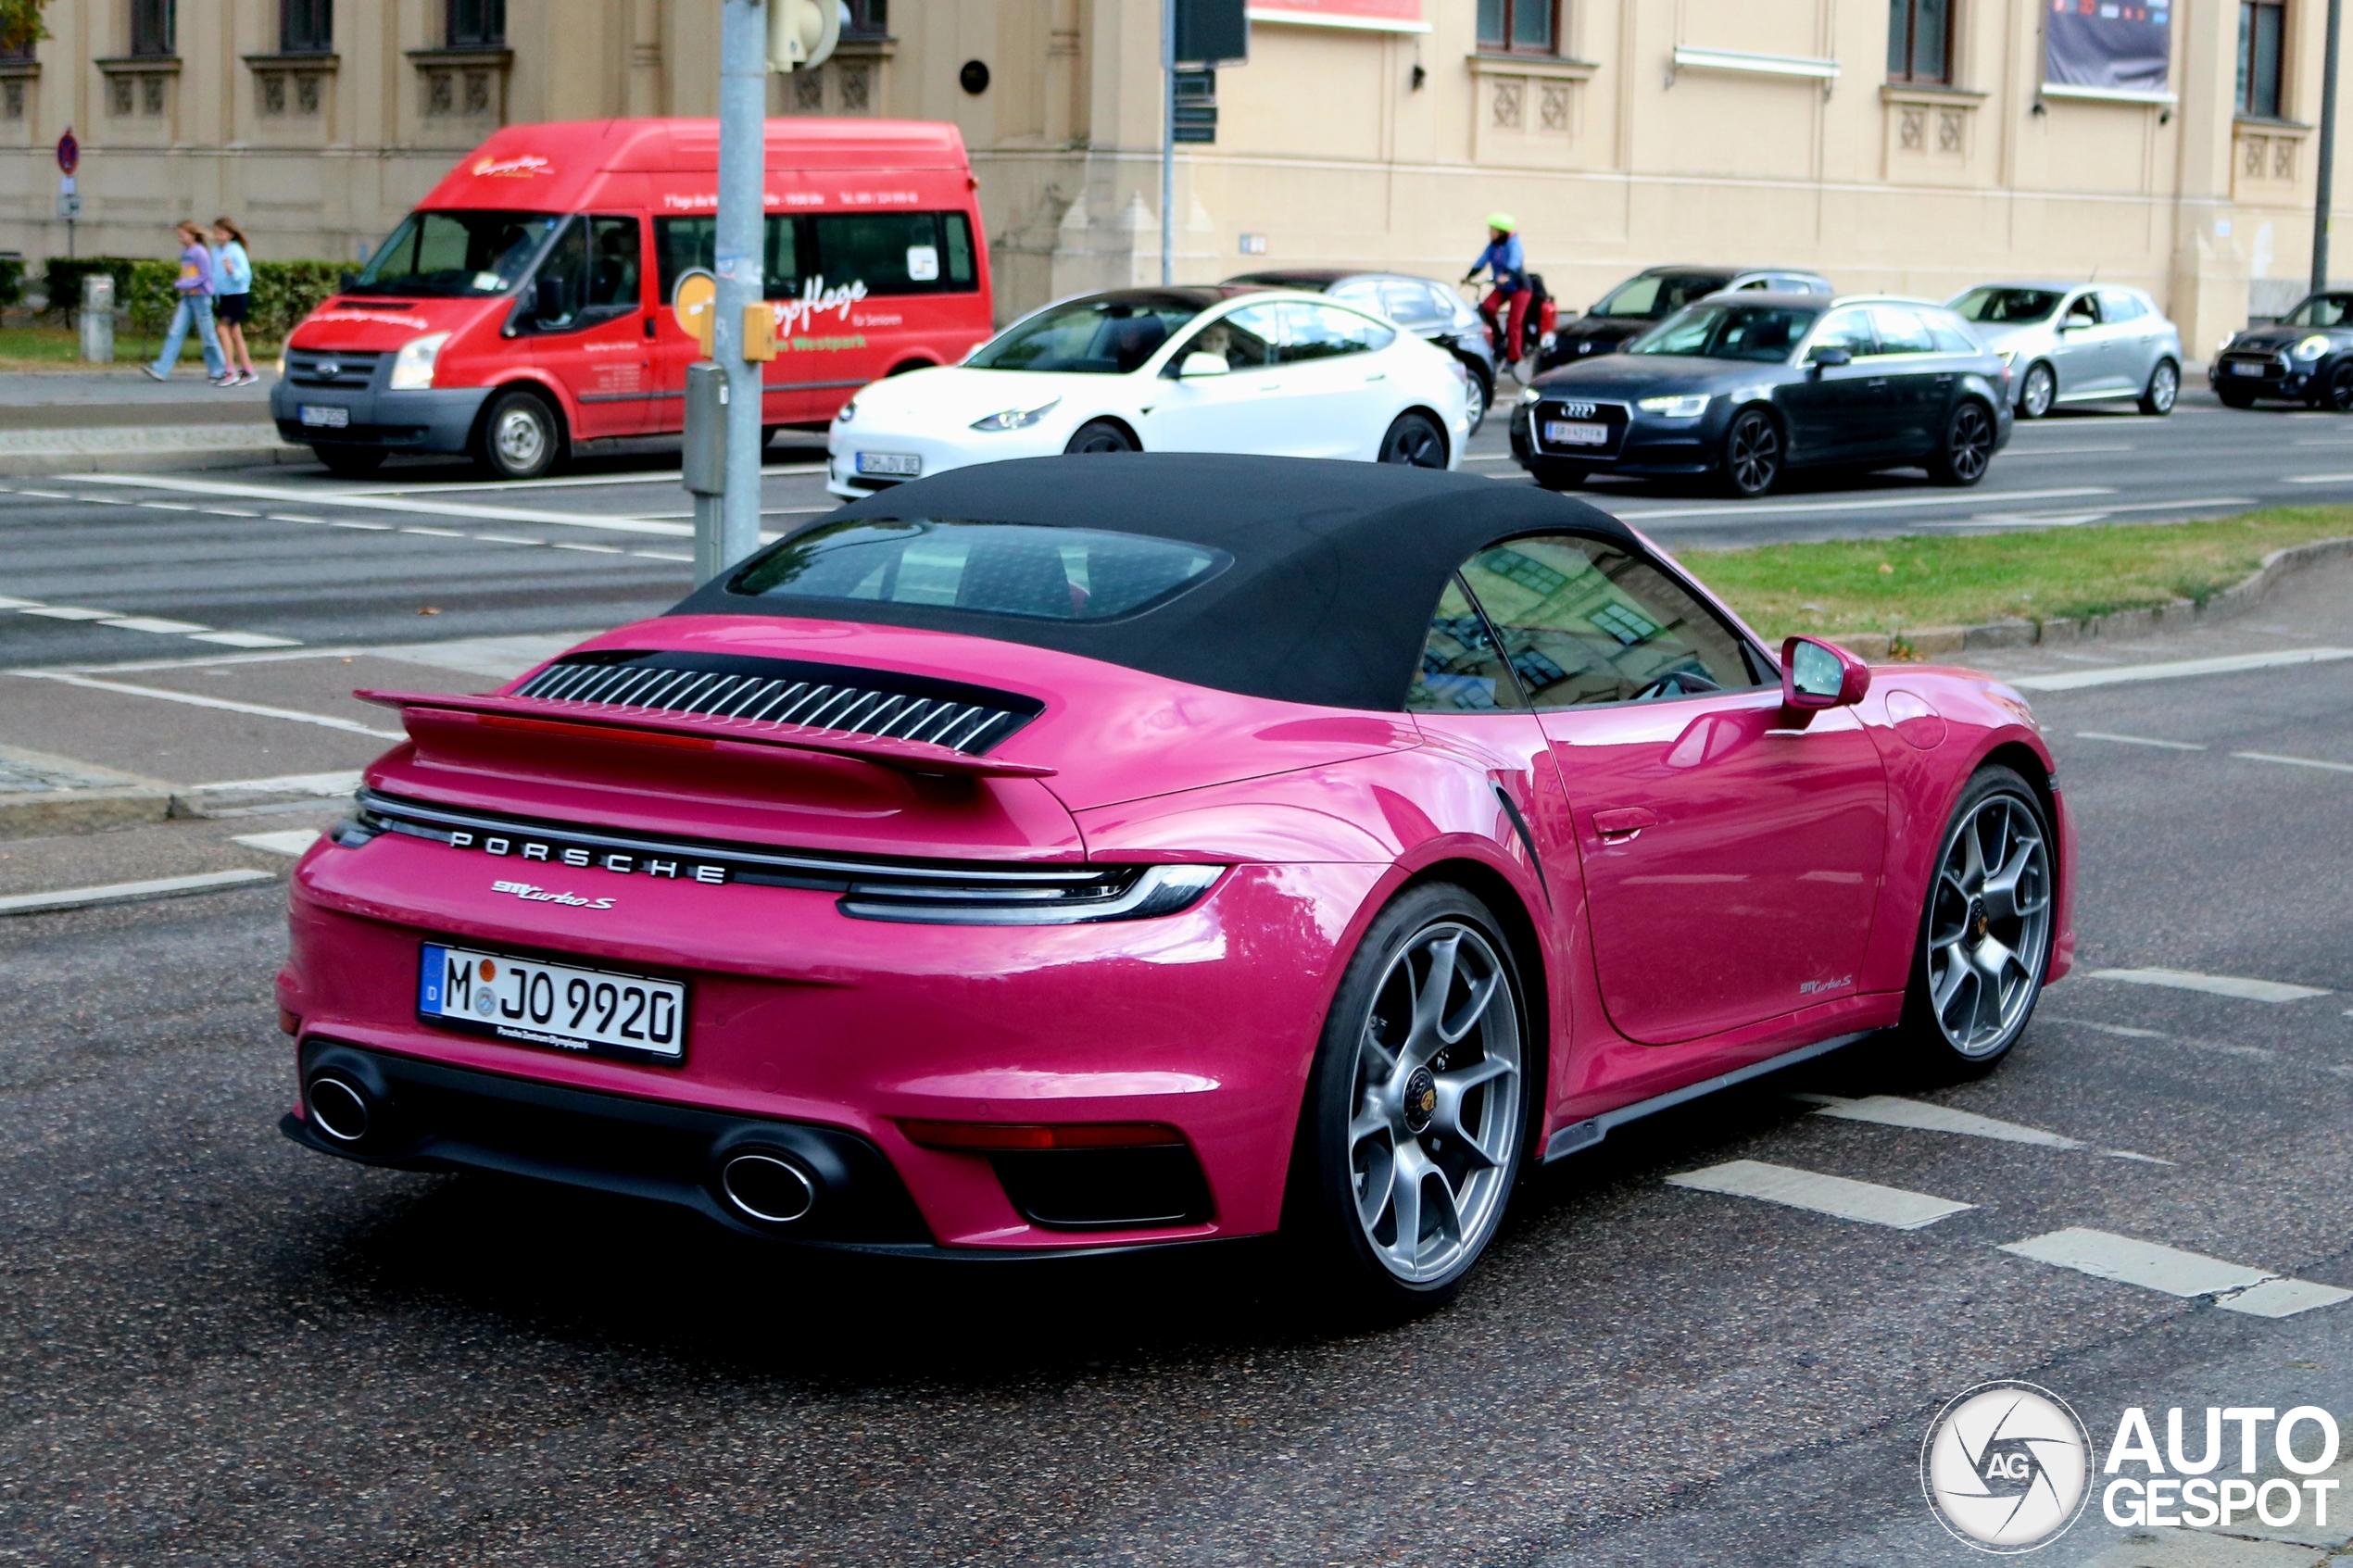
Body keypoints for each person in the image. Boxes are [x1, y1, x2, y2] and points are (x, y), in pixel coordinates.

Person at [143, 220, 228, 383]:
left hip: (201, 297)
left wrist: (183, 283)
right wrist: (184, 285)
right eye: (179, 236)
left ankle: (219, 370)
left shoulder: (199, 252)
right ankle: (162, 368)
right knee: (175, 332)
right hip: (187, 297)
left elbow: (204, 276)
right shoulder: (186, 252)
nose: (180, 238)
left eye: (183, 235)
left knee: (208, 335)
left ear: (192, 235)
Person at [1465, 212, 1532, 373]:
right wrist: (1469, 276)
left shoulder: (1513, 243)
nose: (1490, 232)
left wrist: (1507, 275)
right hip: (1503, 287)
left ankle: (1514, 358)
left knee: (1514, 323)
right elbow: (1483, 260)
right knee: (1487, 307)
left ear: (1501, 232)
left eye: (1492, 230)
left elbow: (1515, 261)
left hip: (1519, 287)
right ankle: (1499, 338)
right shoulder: (1493, 245)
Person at [209, 217, 258, 386]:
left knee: (222, 329)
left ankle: (230, 371)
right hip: (224, 297)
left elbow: (246, 275)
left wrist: (232, 271)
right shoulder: (216, 251)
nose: (218, 237)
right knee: (235, 333)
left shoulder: (236, 251)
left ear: (230, 234)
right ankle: (248, 370)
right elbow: (214, 275)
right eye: (216, 233)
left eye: (221, 233)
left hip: (237, 296)